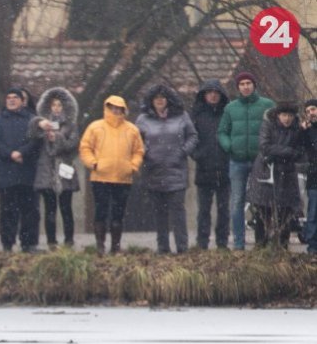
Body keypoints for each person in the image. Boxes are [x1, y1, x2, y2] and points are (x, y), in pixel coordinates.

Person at [135, 84, 198, 254]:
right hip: (153, 171)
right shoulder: (142, 119)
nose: (160, 101)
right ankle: (163, 248)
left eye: (163, 98)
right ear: (152, 101)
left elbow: (193, 136)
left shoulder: (182, 116)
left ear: (168, 100)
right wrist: (145, 153)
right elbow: (135, 141)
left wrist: (183, 151)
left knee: (178, 212)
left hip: (176, 171)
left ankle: (182, 247)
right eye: (156, 98)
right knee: (159, 213)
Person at [79, 95, 144, 254]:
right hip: (100, 177)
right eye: (112, 107)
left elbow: (139, 151)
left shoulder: (131, 129)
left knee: (118, 213)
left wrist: (133, 167)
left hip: (123, 178)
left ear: (124, 110)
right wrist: (94, 163)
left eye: (119, 108)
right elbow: (85, 148)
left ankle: (115, 246)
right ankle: (100, 245)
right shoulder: (95, 127)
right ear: (107, 108)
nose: (115, 111)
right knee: (101, 211)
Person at [217, 72, 275, 250]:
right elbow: (222, 132)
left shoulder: (267, 105)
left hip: (261, 161)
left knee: (263, 202)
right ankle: (239, 243)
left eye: (248, 83)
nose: (246, 86)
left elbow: (277, 128)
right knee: (237, 202)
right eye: (242, 84)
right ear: (238, 87)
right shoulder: (230, 108)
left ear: (254, 85)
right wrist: (230, 146)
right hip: (237, 161)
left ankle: (263, 242)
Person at [0, 88, 41, 252]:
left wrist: (21, 152)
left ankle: (29, 243)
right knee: (7, 211)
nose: (11, 100)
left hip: (27, 172)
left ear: (22, 101)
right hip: (6, 173)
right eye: (8, 97)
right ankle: (7, 244)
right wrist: (10, 154)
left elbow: (37, 140)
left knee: (30, 211)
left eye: (15, 98)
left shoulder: (32, 120)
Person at [245, 101, 303, 248]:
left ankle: (283, 245)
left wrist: (279, 152)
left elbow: (299, 151)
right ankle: (260, 244)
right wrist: (287, 151)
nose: (287, 119)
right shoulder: (268, 125)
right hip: (266, 172)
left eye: (290, 115)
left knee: (286, 211)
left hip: (286, 173)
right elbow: (265, 147)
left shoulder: (297, 128)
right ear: (278, 115)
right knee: (263, 210)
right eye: (284, 115)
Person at [29, 87, 80, 249]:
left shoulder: (71, 125)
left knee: (66, 208)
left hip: (64, 169)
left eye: (59, 105)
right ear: (49, 107)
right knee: (50, 209)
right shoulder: (43, 124)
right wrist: (39, 124)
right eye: (53, 105)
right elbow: (31, 133)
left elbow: (73, 144)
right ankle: (51, 241)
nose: (57, 108)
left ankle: (69, 240)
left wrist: (57, 138)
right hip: (46, 170)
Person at [190, 80, 231, 250]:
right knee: (204, 211)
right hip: (204, 169)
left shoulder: (227, 114)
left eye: (216, 92)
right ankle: (202, 243)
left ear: (221, 95)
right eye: (209, 92)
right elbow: (189, 138)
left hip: (225, 168)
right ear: (204, 95)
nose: (213, 95)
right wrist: (197, 155)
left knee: (223, 210)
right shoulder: (197, 115)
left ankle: (222, 242)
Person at [304, 99, 317, 254]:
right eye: (307, 111)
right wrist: (302, 130)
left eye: (313, 109)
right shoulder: (306, 131)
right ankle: (312, 247)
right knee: (313, 213)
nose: (311, 113)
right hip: (314, 178)